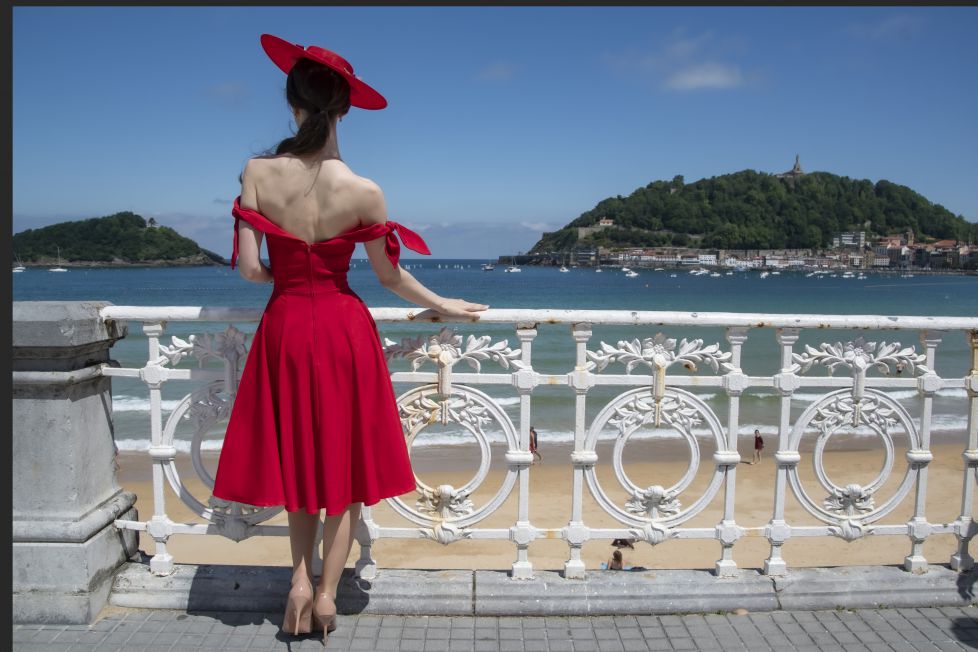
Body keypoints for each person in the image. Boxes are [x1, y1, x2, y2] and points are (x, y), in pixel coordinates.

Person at [211, 34, 488, 642]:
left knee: (300, 467)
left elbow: (251, 271)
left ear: (294, 105)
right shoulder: (364, 190)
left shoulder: (257, 172)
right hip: (342, 330)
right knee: (343, 467)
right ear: (343, 110)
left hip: (286, 324)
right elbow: (390, 276)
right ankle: (330, 594)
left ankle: (299, 584)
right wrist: (446, 305)